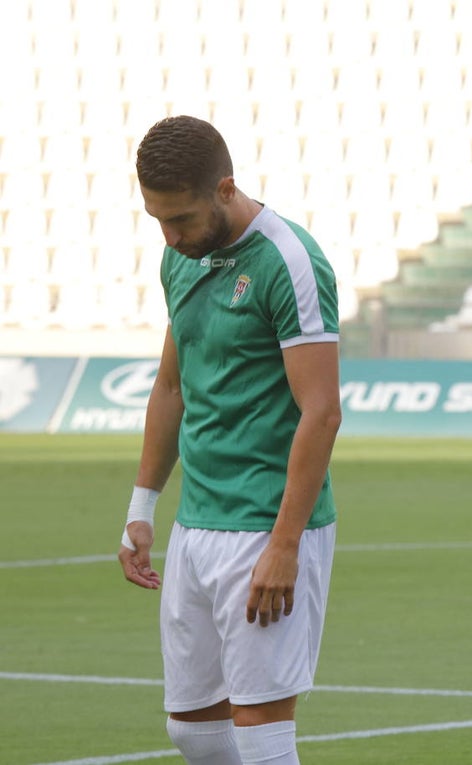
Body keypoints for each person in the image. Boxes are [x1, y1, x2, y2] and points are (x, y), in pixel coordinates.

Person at [117, 115, 342, 765]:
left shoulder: (289, 260)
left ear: (224, 188)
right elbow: (171, 387)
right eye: (157, 219)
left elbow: (322, 411)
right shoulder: (178, 257)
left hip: (267, 522)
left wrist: (284, 544)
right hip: (198, 520)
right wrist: (142, 505)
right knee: (192, 727)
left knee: (261, 729)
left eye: (181, 218)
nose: (169, 235)